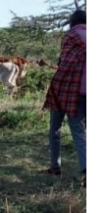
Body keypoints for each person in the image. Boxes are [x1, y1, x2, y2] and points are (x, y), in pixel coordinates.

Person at [42, 9, 86, 185]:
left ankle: (58, 166)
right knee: (81, 132)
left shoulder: (72, 36)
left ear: (72, 22)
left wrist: (55, 84)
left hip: (67, 89)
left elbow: (65, 63)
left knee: (57, 129)